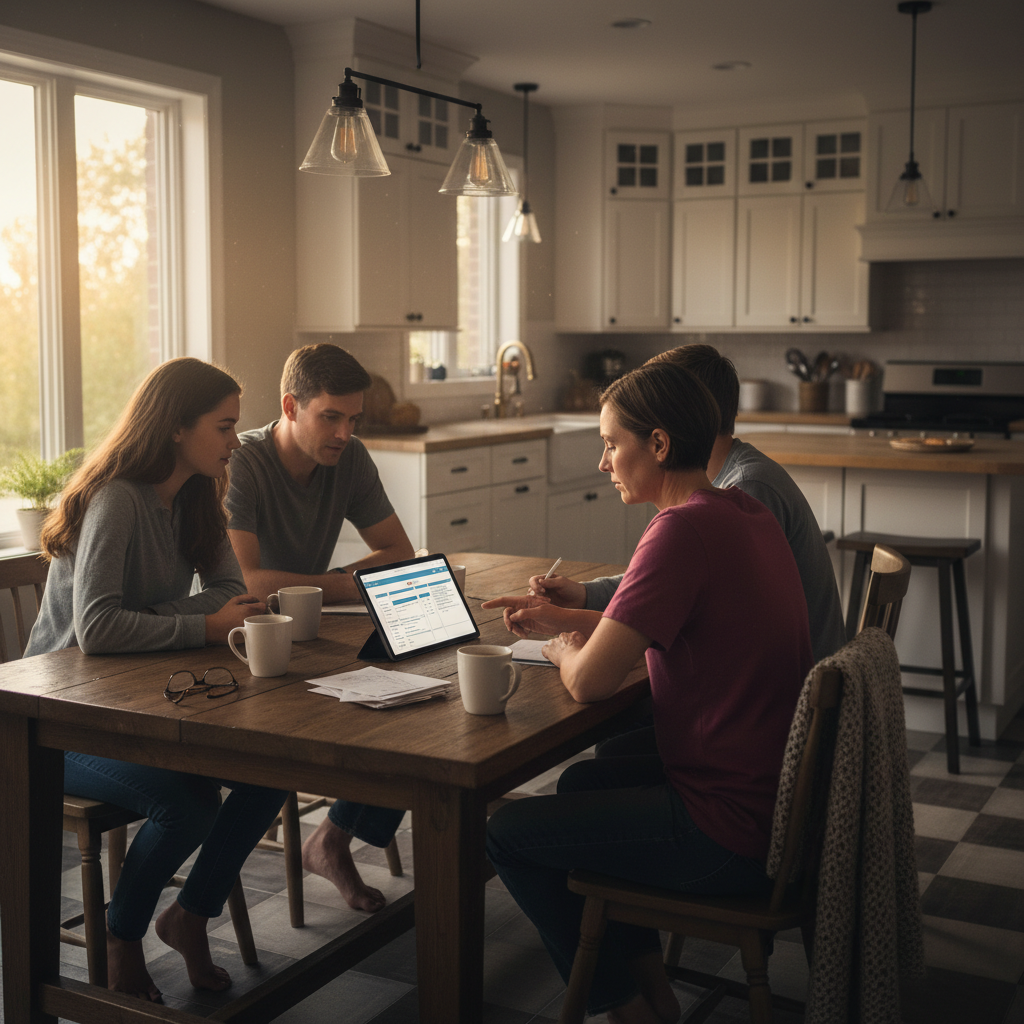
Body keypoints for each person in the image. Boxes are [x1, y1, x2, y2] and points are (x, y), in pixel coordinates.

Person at [482, 361, 812, 1024]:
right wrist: (568, 621)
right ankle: (654, 993)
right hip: (779, 807)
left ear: (658, 445)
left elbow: (591, 682)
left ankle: (627, 1007)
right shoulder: (738, 509)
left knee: (507, 831)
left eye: (611, 443)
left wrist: (560, 648)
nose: (603, 462)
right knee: (582, 785)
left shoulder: (679, 530)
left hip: (728, 835)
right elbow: (665, 621)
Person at [25, 358, 288, 1003]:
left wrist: (171, 617)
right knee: (187, 804)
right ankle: (121, 938)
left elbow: (234, 590)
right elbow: (98, 630)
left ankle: (189, 917)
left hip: (131, 696)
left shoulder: (197, 493)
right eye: (224, 428)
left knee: (268, 775)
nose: (235, 441)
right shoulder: (118, 497)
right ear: (176, 427)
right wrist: (200, 626)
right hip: (55, 718)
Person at [225, 343, 414, 913]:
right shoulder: (243, 463)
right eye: (330, 416)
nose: (343, 432)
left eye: (353, 418)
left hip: (313, 633)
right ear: (290, 406)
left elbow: (397, 551)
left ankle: (331, 838)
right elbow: (249, 582)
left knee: (414, 709)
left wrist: (320, 586)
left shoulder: (349, 459)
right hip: (238, 646)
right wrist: (345, 583)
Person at [519, 344, 845, 665]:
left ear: (684, 406)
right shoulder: (716, 484)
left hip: (800, 689)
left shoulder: (744, 488)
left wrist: (570, 629)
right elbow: (671, 582)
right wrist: (588, 595)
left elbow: (671, 605)